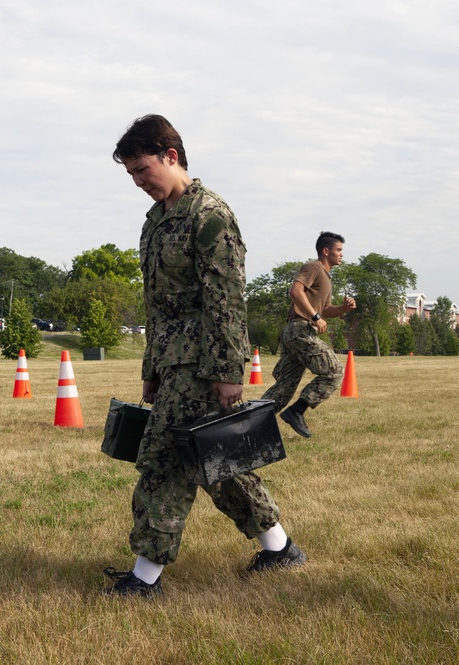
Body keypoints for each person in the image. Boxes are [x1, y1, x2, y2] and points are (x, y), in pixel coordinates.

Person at [103, 114, 305, 597]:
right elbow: (158, 305)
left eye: (142, 170)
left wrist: (227, 370)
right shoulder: (155, 222)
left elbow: (227, 299)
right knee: (215, 460)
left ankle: (145, 577)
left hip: (203, 362)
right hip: (172, 362)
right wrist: (151, 368)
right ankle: (279, 548)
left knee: (164, 462)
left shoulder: (209, 215)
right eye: (130, 174)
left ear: (170, 156)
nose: (137, 182)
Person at [260, 232, 356, 438]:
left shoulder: (327, 277)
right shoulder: (313, 268)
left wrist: (343, 309)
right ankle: (296, 412)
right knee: (334, 371)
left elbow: (326, 309)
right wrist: (315, 316)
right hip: (300, 330)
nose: (342, 255)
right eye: (339, 250)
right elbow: (295, 291)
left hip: (298, 331)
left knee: (283, 389)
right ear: (326, 251)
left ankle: (249, 427)